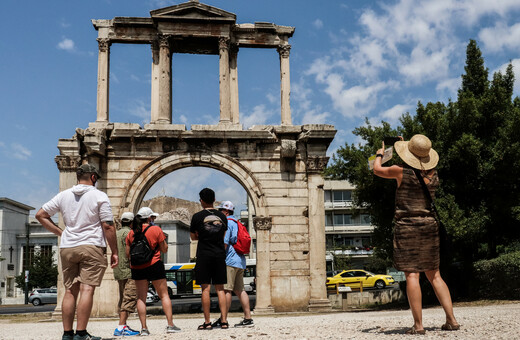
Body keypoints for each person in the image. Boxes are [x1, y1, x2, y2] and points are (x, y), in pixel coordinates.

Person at [373, 134, 459, 335]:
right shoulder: (434, 174)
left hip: (408, 226)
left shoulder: (400, 172)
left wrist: (379, 154)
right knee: (435, 274)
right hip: (430, 226)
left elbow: (376, 169)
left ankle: (418, 326)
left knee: (412, 274)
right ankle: (452, 320)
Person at [35, 164, 118, 340]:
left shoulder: (63, 195)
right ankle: (81, 333)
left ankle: (67, 334)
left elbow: (40, 214)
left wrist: (60, 232)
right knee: (87, 290)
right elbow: (108, 225)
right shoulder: (99, 195)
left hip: (68, 247)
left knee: (70, 291)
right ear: (93, 177)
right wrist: (115, 251)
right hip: (91, 246)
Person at [125, 207, 181, 336]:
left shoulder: (131, 233)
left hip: (137, 267)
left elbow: (128, 254)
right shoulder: (156, 229)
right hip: (154, 264)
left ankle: (144, 328)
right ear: (149, 218)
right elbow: (164, 249)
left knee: (141, 298)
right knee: (164, 295)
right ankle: (170, 325)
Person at [190, 188, 229, 330]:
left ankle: (207, 322)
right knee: (220, 289)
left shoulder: (197, 217)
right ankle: (224, 321)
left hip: (204, 254)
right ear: (214, 199)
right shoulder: (222, 217)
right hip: (219, 254)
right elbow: (223, 235)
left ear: (201, 200)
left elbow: (193, 237)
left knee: (205, 289)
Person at [211, 201, 254, 328]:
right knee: (240, 290)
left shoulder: (228, 223)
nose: (219, 213)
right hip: (240, 260)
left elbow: (225, 242)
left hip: (229, 260)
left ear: (226, 212)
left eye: (220, 210)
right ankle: (248, 318)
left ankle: (223, 319)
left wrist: (219, 257)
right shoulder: (238, 223)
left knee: (226, 290)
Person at [112, 212, 140, 337]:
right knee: (129, 298)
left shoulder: (116, 234)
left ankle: (122, 324)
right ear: (131, 222)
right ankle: (121, 326)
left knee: (123, 298)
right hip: (129, 270)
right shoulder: (130, 233)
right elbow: (130, 252)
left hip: (118, 270)